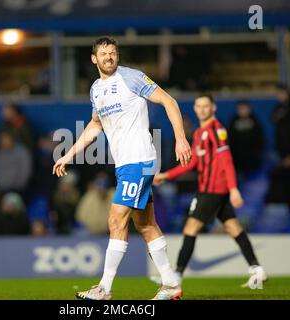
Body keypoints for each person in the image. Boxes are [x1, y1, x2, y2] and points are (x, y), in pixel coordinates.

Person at [53, 36, 192, 300]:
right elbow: (96, 126)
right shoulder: (96, 89)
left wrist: (181, 138)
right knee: (146, 225)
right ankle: (171, 283)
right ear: (94, 59)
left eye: (113, 53)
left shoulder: (132, 77)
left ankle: (104, 288)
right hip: (126, 164)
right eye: (104, 53)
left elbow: (169, 101)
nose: (109, 57)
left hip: (138, 160)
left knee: (116, 219)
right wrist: (68, 154)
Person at [153, 94, 266, 288]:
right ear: (195, 109)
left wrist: (233, 189)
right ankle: (257, 269)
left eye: (206, 106)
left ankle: (176, 276)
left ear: (213, 108)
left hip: (211, 190)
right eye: (199, 106)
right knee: (233, 228)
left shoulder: (217, 130)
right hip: (214, 191)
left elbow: (226, 160)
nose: (202, 109)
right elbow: (194, 162)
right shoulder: (199, 133)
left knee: (190, 228)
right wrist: (167, 175)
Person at [228, 100, 264, 176]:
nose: (243, 110)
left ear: (249, 108)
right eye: (240, 108)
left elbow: (260, 138)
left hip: (252, 159)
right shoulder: (233, 121)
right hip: (237, 159)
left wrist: (257, 153)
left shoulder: (255, 120)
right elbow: (230, 139)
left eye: (245, 108)